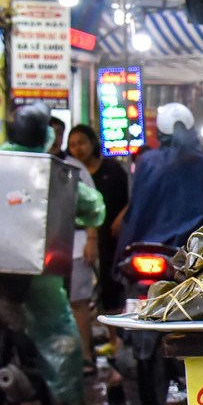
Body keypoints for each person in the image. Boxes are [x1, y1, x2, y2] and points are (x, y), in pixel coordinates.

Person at [5, 103, 105, 405]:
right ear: (47, 135)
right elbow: (93, 207)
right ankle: (73, 404)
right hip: (30, 266)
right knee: (60, 329)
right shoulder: (49, 169)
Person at [117, 102, 203, 254]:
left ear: (160, 132)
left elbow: (137, 209)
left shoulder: (147, 162)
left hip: (148, 248)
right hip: (197, 249)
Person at [68, 124, 130, 311]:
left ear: (92, 142)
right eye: (73, 145)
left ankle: (115, 335)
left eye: (82, 143)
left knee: (110, 283)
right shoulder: (72, 172)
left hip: (112, 235)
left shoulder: (112, 169)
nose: (79, 148)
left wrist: (120, 218)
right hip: (82, 239)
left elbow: (129, 198)